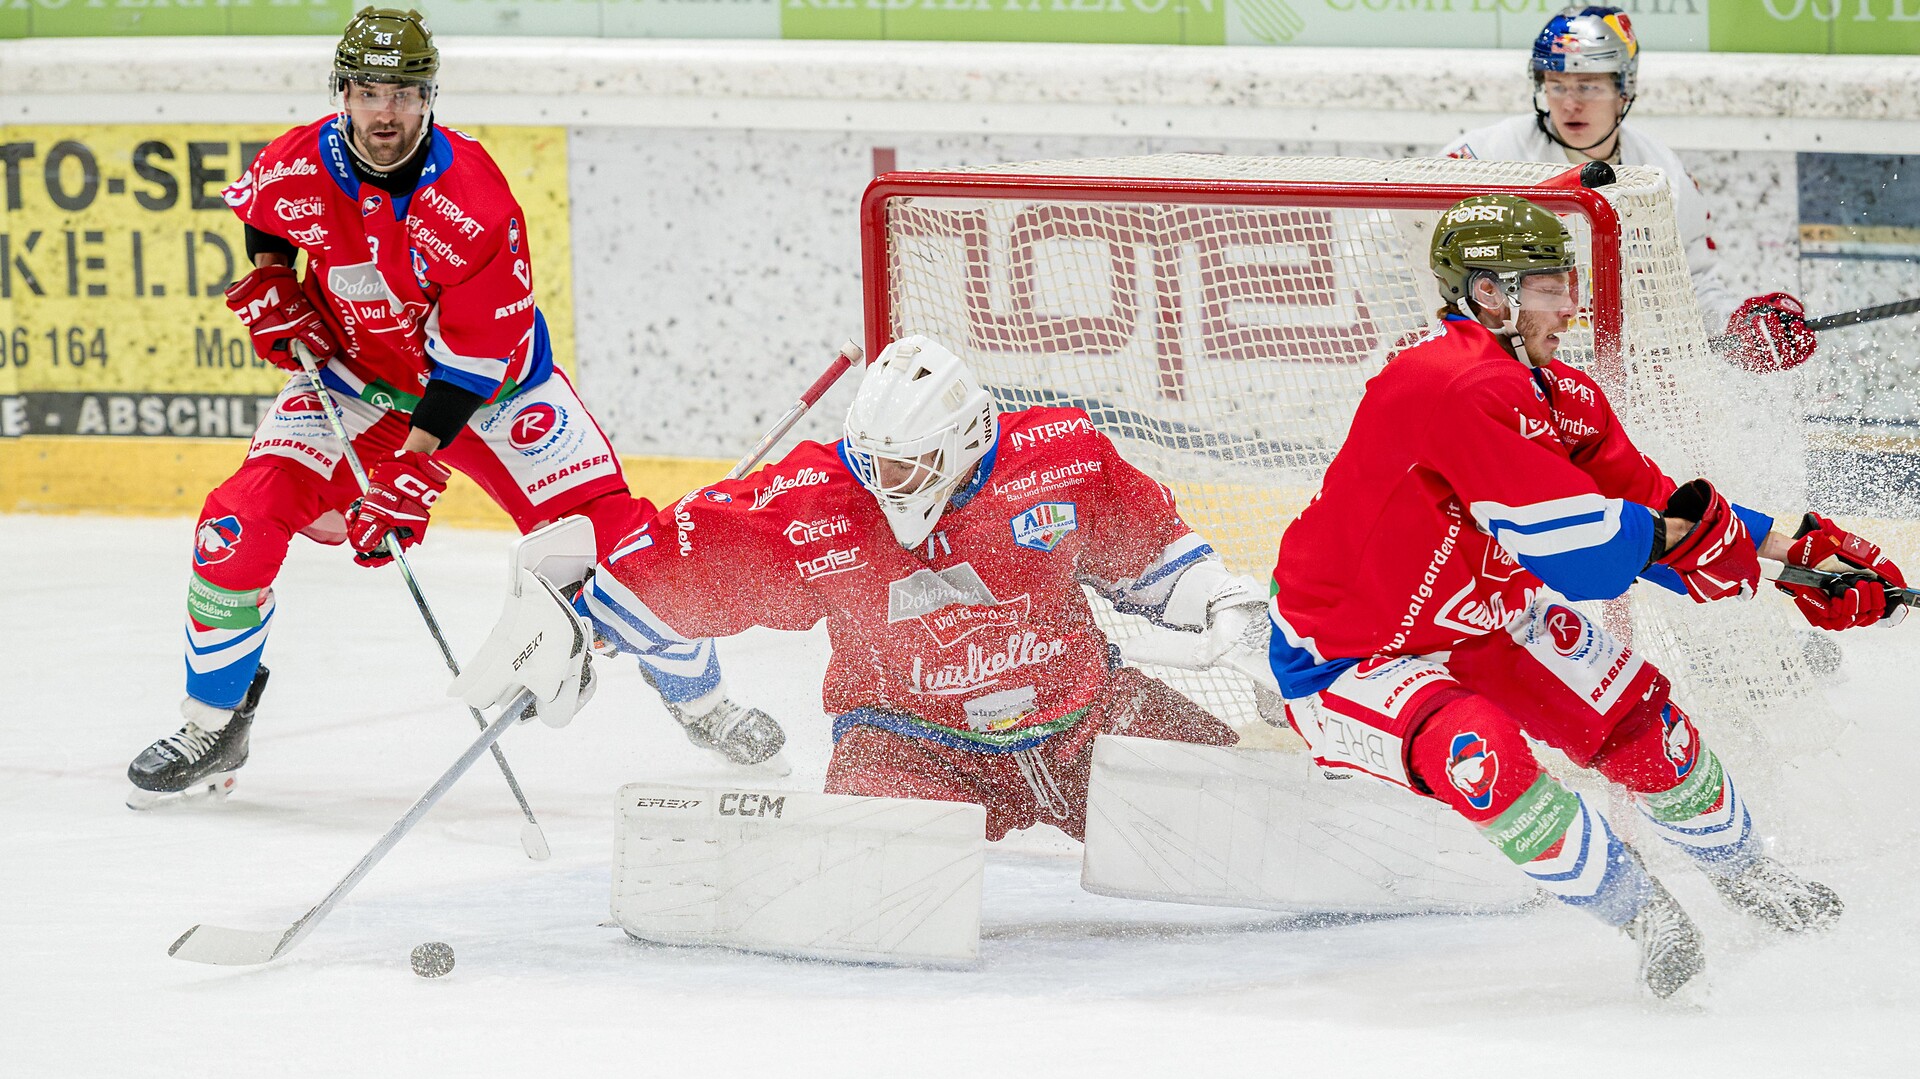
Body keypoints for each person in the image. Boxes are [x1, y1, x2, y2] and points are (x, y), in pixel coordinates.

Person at [126, 7, 782, 808]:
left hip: (495, 394)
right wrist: (273, 283)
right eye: (369, 92)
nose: (386, 113)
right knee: (236, 521)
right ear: (343, 93)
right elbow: (265, 222)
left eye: (403, 94)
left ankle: (706, 706)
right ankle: (212, 725)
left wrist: (411, 470)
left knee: (621, 545)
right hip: (354, 382)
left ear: (430, 97)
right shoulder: (298, 161)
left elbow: (472, 366)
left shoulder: (472, 199)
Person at [1266, 194, 1904, 997]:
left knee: (1647, 729)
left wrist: (1802, 549)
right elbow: (1588, 554)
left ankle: (1749, 880)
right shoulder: (1449, 382)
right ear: (1487, 295)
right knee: (1484, 753)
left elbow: (1660, 506)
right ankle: (1649, 920)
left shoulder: (1562, 393)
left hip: (1486, 617)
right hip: (1351, 651)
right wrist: (1724, 558)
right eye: (1546, 286)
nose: (1569, 303)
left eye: (1567, 280)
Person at [556, 334, 1267, 842]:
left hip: (1084, 717)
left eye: (903, 465)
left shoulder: (1061, 460)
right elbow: (699, 556)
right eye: (871, 460)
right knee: (864, 865)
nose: (879, 482)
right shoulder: (822, 501)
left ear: (963, 441)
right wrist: (584, 617)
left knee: (1250, 822)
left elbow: (1150, 559)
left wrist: (1225, 602)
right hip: (911, 743)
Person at [1444, 5, 1818, 374]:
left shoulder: (1662, 173)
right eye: (1557, 86)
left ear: (1624, 88)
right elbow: (1408, 242)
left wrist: (1736, 330)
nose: (1570, 103)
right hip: (1502, 367)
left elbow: (1693, 281)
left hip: (1619, 377)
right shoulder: (1486, 155)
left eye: (1588, 86)